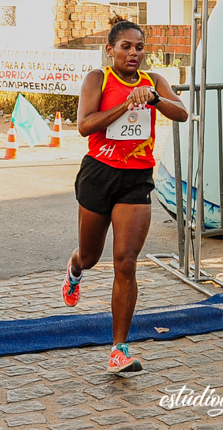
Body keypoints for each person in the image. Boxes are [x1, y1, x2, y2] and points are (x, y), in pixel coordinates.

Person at [63, 19, 188, 374]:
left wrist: (155, 98)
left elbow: (182, 113)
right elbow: (84, 125)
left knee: (126, 261)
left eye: (139, 47)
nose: (133, 53)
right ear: (111, 50)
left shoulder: (154, 81)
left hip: (136, 179)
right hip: (99, 175)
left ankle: (119, 349)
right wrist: (125, 105)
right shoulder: (98, 79)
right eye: (126, 47)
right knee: (91, 256)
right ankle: (75, 268)